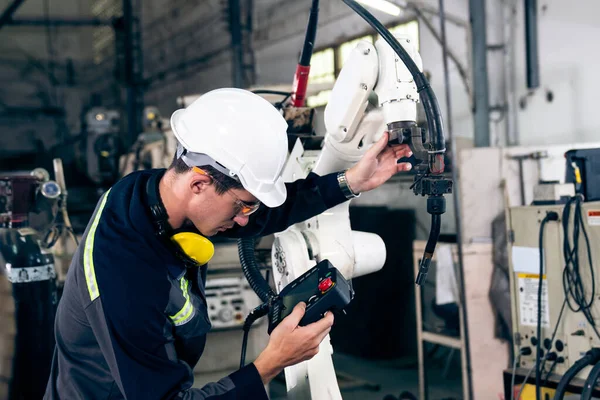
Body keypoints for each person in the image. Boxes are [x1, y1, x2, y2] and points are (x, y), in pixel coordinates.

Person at [44, 88, 413, 399]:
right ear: (200, 183)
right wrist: (270, 363)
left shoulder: (149, 193)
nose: (244, 221)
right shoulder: (124, 275)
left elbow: (264, 214)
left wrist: (350, 182)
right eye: (241, 206)